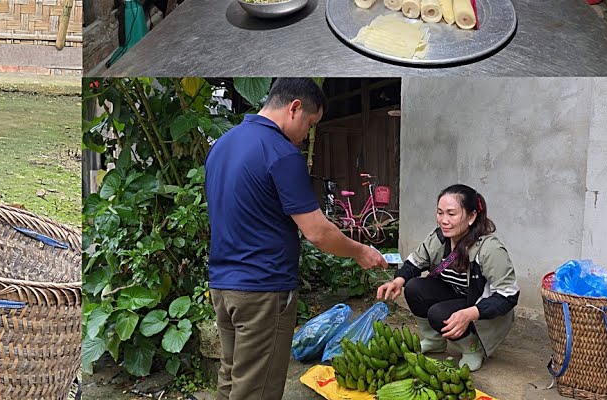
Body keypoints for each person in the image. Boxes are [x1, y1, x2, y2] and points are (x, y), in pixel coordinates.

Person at [206, 78, 387, 400]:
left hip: (223, 286)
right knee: (256, 390)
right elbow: (317, 232)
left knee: (232, 379)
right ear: (294, 108)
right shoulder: (280, 153)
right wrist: (360, 250)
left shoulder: (223, 144)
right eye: (310, 123)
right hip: (262, 289)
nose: (306, 134)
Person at [376, 185, 518, 371]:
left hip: (482, 309)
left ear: (472, 216)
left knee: (439, 314)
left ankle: (472, 348)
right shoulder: (439, 239)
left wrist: (471, 313)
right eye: (440, 213)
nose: (444, 220)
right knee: (413, 287)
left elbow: (509, 295)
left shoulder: (490, 249)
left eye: (451, 214)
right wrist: (397, 281)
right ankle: (434, 341)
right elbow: (414, 263)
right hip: (458, 296)